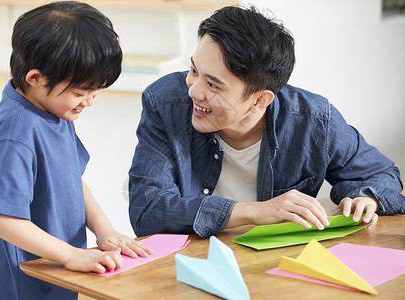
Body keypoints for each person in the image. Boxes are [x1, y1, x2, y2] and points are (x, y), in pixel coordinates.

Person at [128, 5, 405, 239]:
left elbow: (383, 175)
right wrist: (256, 211)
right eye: (194, 70)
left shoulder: (312, 120)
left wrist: (367, 197)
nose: (193, 90)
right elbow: (147, 209)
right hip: (194, 265)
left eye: (212, 85)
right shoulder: (165, 104)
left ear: (260, 100)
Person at [0, 2, 152, 299]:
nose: (89, 101)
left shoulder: (52, 110)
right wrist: (69, 255)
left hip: (60, 278)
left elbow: (70, 177)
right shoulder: (17, 131)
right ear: (35, 79)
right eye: (80, 93)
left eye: (96, 91)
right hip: (26, 287)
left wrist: (103, 229)